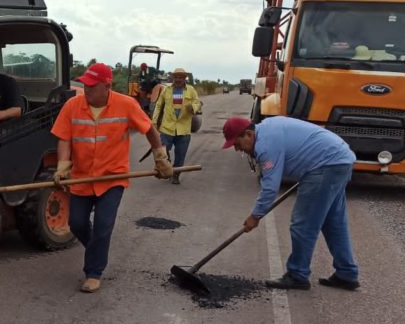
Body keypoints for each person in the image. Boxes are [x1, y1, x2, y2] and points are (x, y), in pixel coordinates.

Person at [51, 62, 172, 293]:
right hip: (82, 178)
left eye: (91, 86)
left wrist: (160, 157)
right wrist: (63, 166)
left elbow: (149, 129)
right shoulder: (72, 106)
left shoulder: (126, 104)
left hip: (112, 178)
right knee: (76, 223)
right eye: (85, 84)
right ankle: (97, 249)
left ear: (106, 86)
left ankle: (93, 272)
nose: (86, 89)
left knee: (103, 227)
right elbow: (64, 138)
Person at [221, 115, 360, 291]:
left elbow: (270, 187)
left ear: (248, 134)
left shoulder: (265, 145)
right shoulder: (266, 130)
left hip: (326, 165)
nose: (237, 149)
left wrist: (255, 215)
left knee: (303, 225)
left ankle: (297, 275)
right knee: (334, 222)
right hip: (340, 160)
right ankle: (347, 273)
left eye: (237, 144)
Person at [151, 67, 201, 184]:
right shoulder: (166, 90)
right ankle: (166, 168)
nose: (178, 79)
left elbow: (197, 103)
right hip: (167, 127)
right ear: (173, 77)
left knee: (180, 155)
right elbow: (158, 105)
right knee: (163, 152)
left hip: (183, 129)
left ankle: (176, 175)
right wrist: (153, 121)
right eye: (176, 77)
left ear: (184, 78)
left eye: (181, 77)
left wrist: (193, 107)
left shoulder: (191, 90)